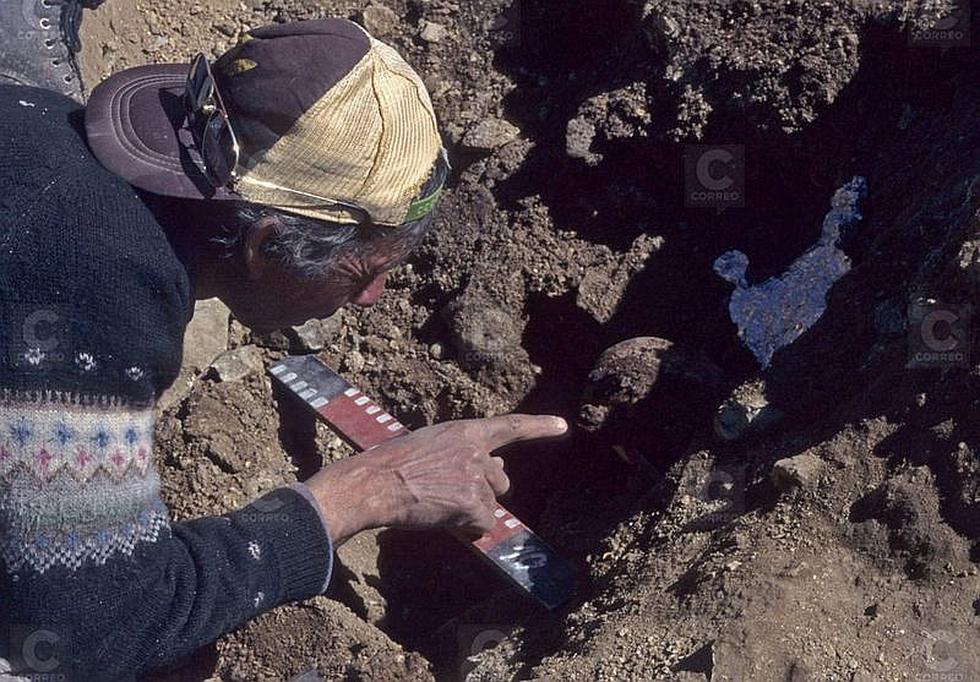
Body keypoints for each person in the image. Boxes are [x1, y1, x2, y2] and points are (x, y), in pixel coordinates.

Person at [0, 4, 568, 679]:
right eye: (368, 271)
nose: (369, 299)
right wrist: (362, 491)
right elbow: (95, 624)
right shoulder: (102, 288)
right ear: (266, 243)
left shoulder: (30, 116)